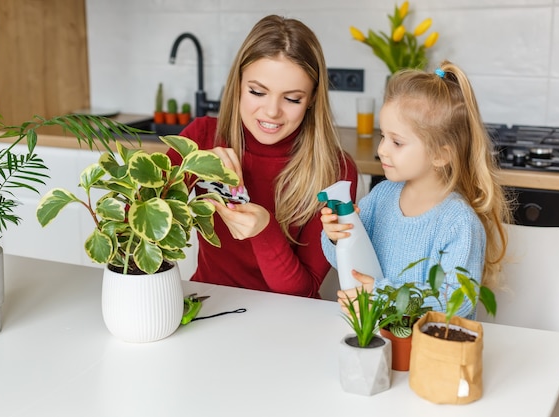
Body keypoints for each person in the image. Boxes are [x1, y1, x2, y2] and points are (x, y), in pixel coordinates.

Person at [169, 15, 359, 298]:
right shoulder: (201, 139)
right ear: (238, 85)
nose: (272, 111)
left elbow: (303, 291)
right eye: (257, 92)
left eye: (292, 98)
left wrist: (265, 229)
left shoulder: (336, 171)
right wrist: (195, 166)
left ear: (313, 99)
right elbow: (133, 223)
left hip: (286, 319)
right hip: (209, 303)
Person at [321, 60, 511, 317]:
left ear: (440, 155)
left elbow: (459, 301)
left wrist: (383, 295)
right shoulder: (381, 196)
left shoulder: (458, 222)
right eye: (382, 136)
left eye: (397, 142)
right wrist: (337, 237)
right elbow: (348, 266)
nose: (381, 149)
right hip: (378, 334)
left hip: (428, 348)